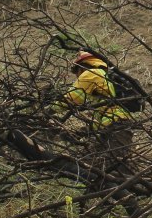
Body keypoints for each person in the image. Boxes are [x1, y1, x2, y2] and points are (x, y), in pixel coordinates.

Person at [53, 51, 134, 182]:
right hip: (114, 127)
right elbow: (106, 116)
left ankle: (130, 196)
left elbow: (71, 99)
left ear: (82, 66)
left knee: (117, 170)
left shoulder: (90, 74)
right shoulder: (104, 77)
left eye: (76, 71)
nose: (77, 76)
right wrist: (83, 132)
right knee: (92, 163)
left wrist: (46, 109)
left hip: (117, 128)